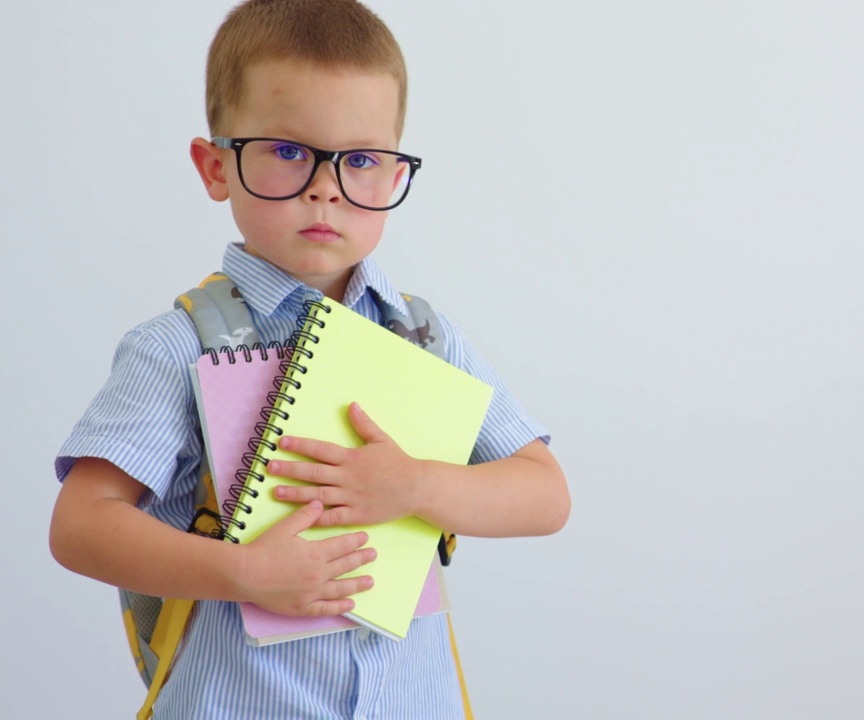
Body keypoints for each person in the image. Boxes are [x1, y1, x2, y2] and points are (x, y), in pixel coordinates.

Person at [48, 1, 570, 717]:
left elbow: (545, 495)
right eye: (289, 151)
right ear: (215, 166)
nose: (326, 187)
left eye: (359, 159)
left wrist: (416, 486)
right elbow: (80, 525)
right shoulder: (175, 348)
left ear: (392, 179)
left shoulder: (426, 338)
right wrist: (244, 572)